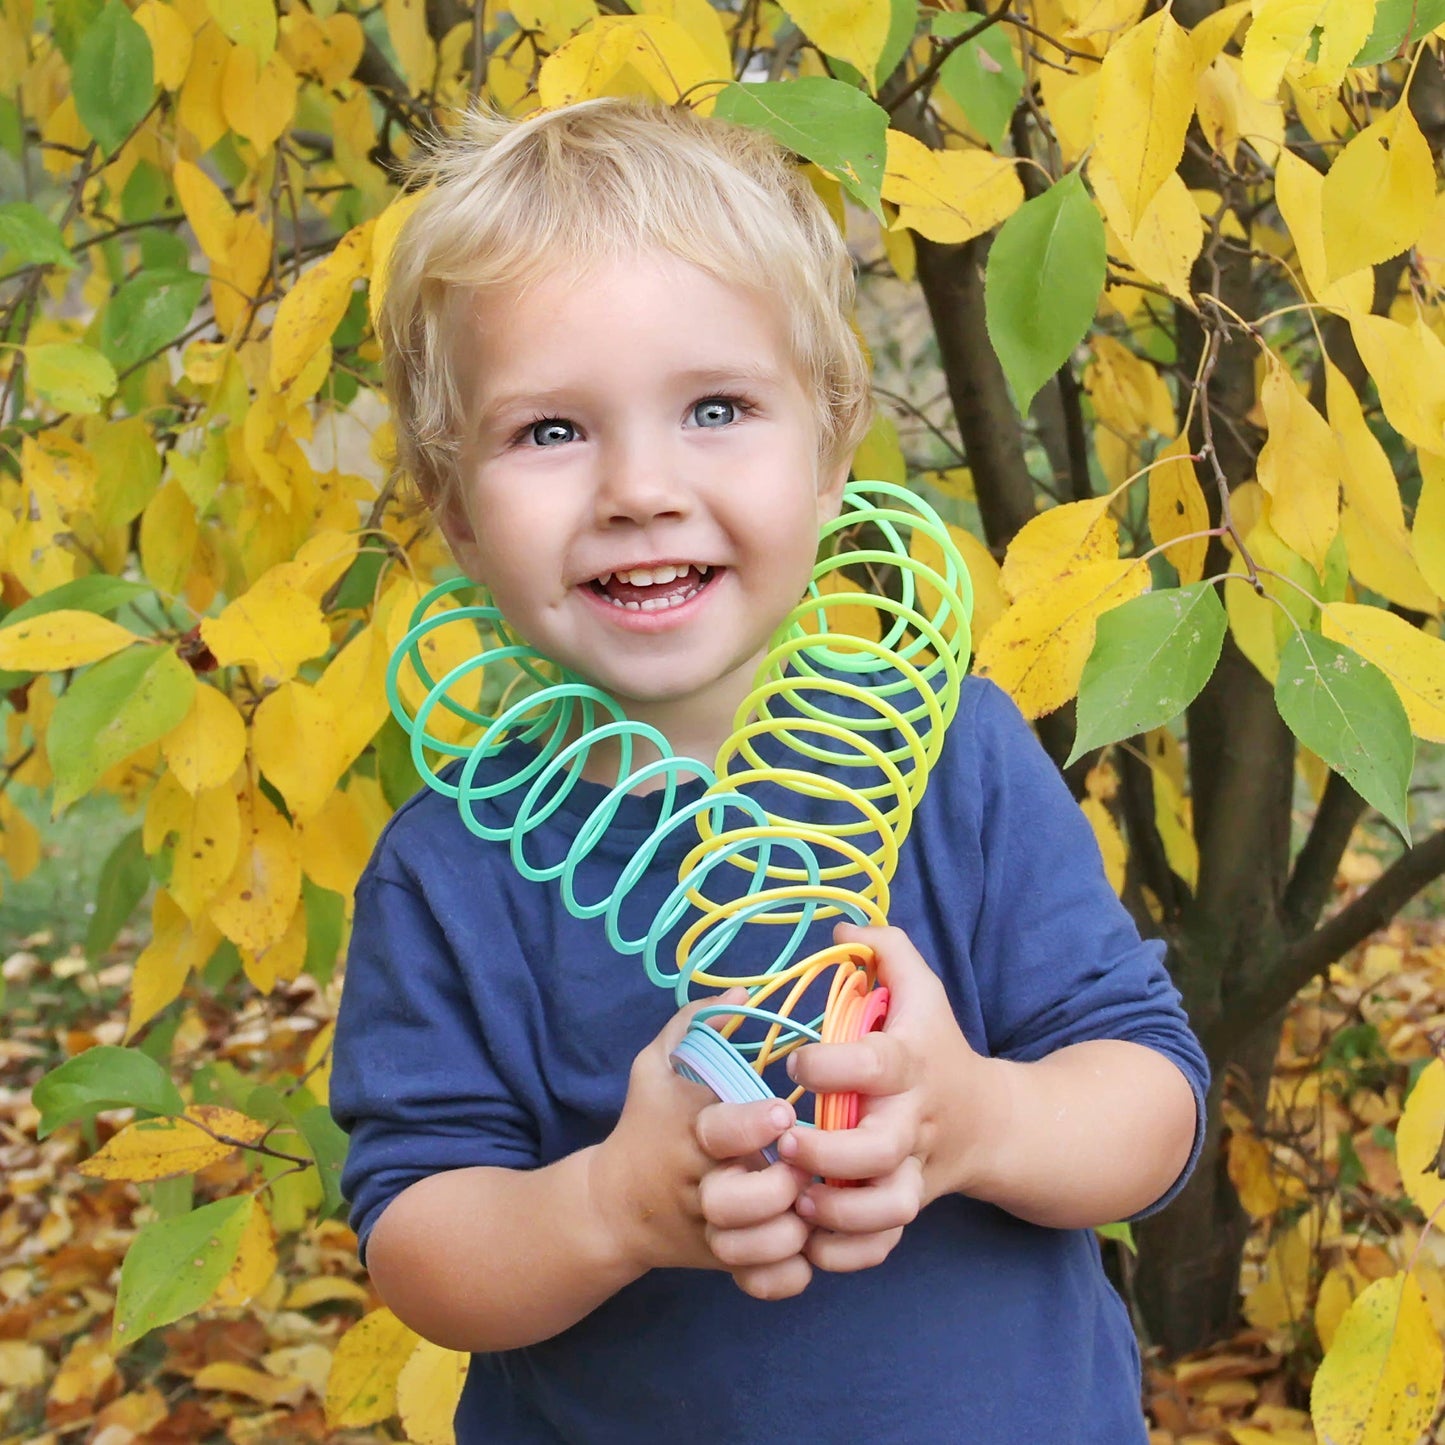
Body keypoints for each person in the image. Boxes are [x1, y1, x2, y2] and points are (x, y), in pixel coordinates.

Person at [329, 96, 1210, 1444]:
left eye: (716, 408)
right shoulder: (449, 872)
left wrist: (974, 1121)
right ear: (454, 506)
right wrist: (609, 1208)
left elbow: (1151, 1100)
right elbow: (420, 1245)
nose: (638, 488)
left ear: (828, 448)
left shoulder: (954, 756)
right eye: (551, 431)